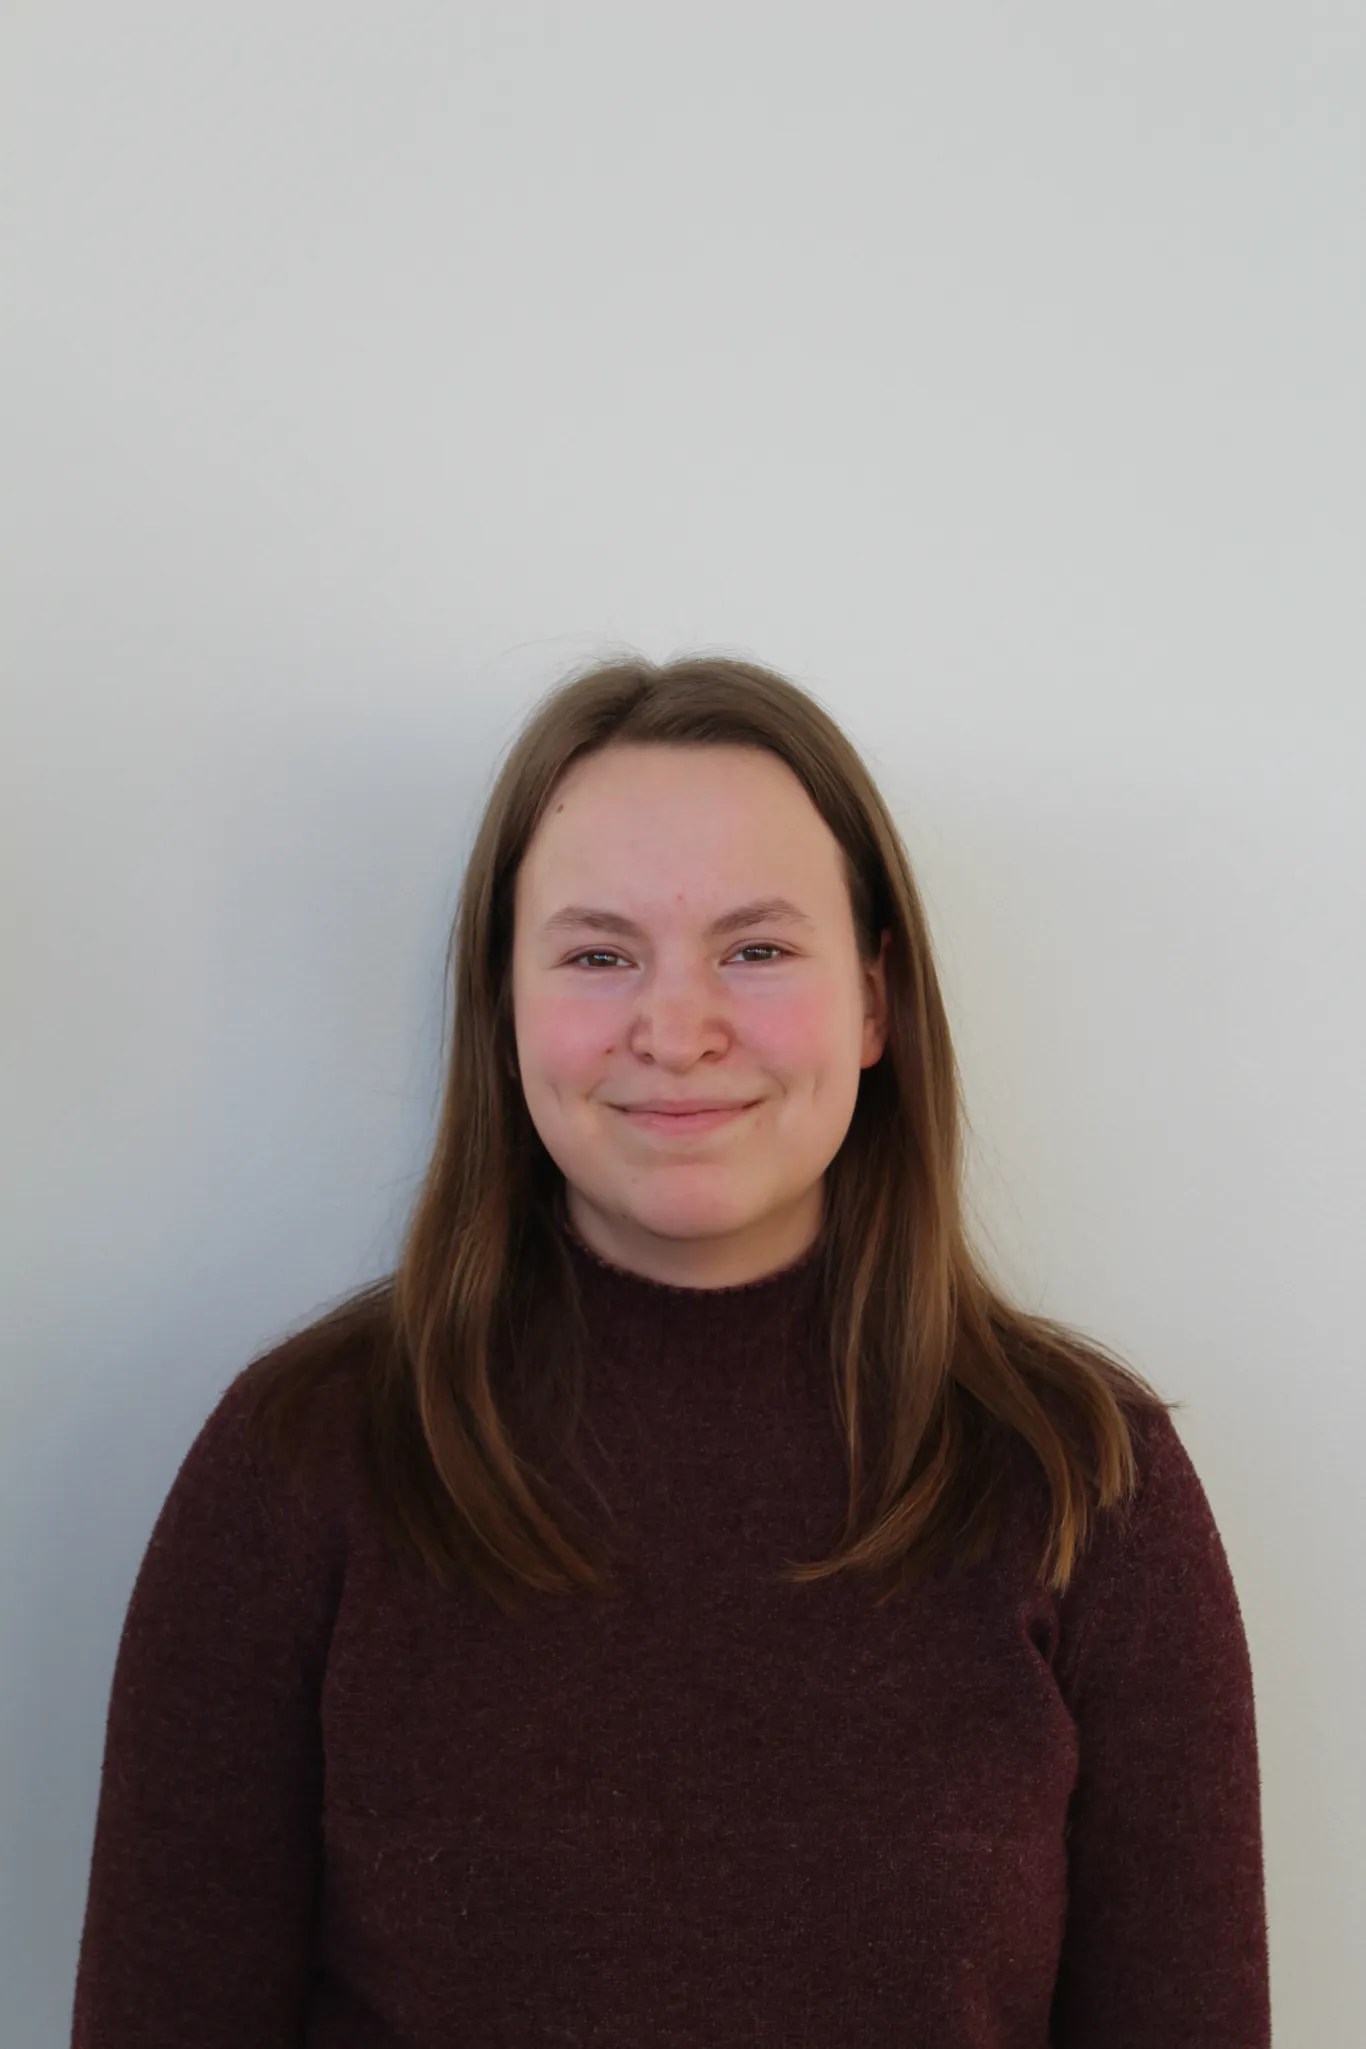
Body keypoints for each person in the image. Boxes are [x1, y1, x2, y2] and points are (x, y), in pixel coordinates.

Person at [70, 652, 1271, 2047]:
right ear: (504, 1007)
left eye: (755, 950)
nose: (677, 1030)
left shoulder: (1088, 1482)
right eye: (598, 954)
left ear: (874, 1002)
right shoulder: (296, 1466)